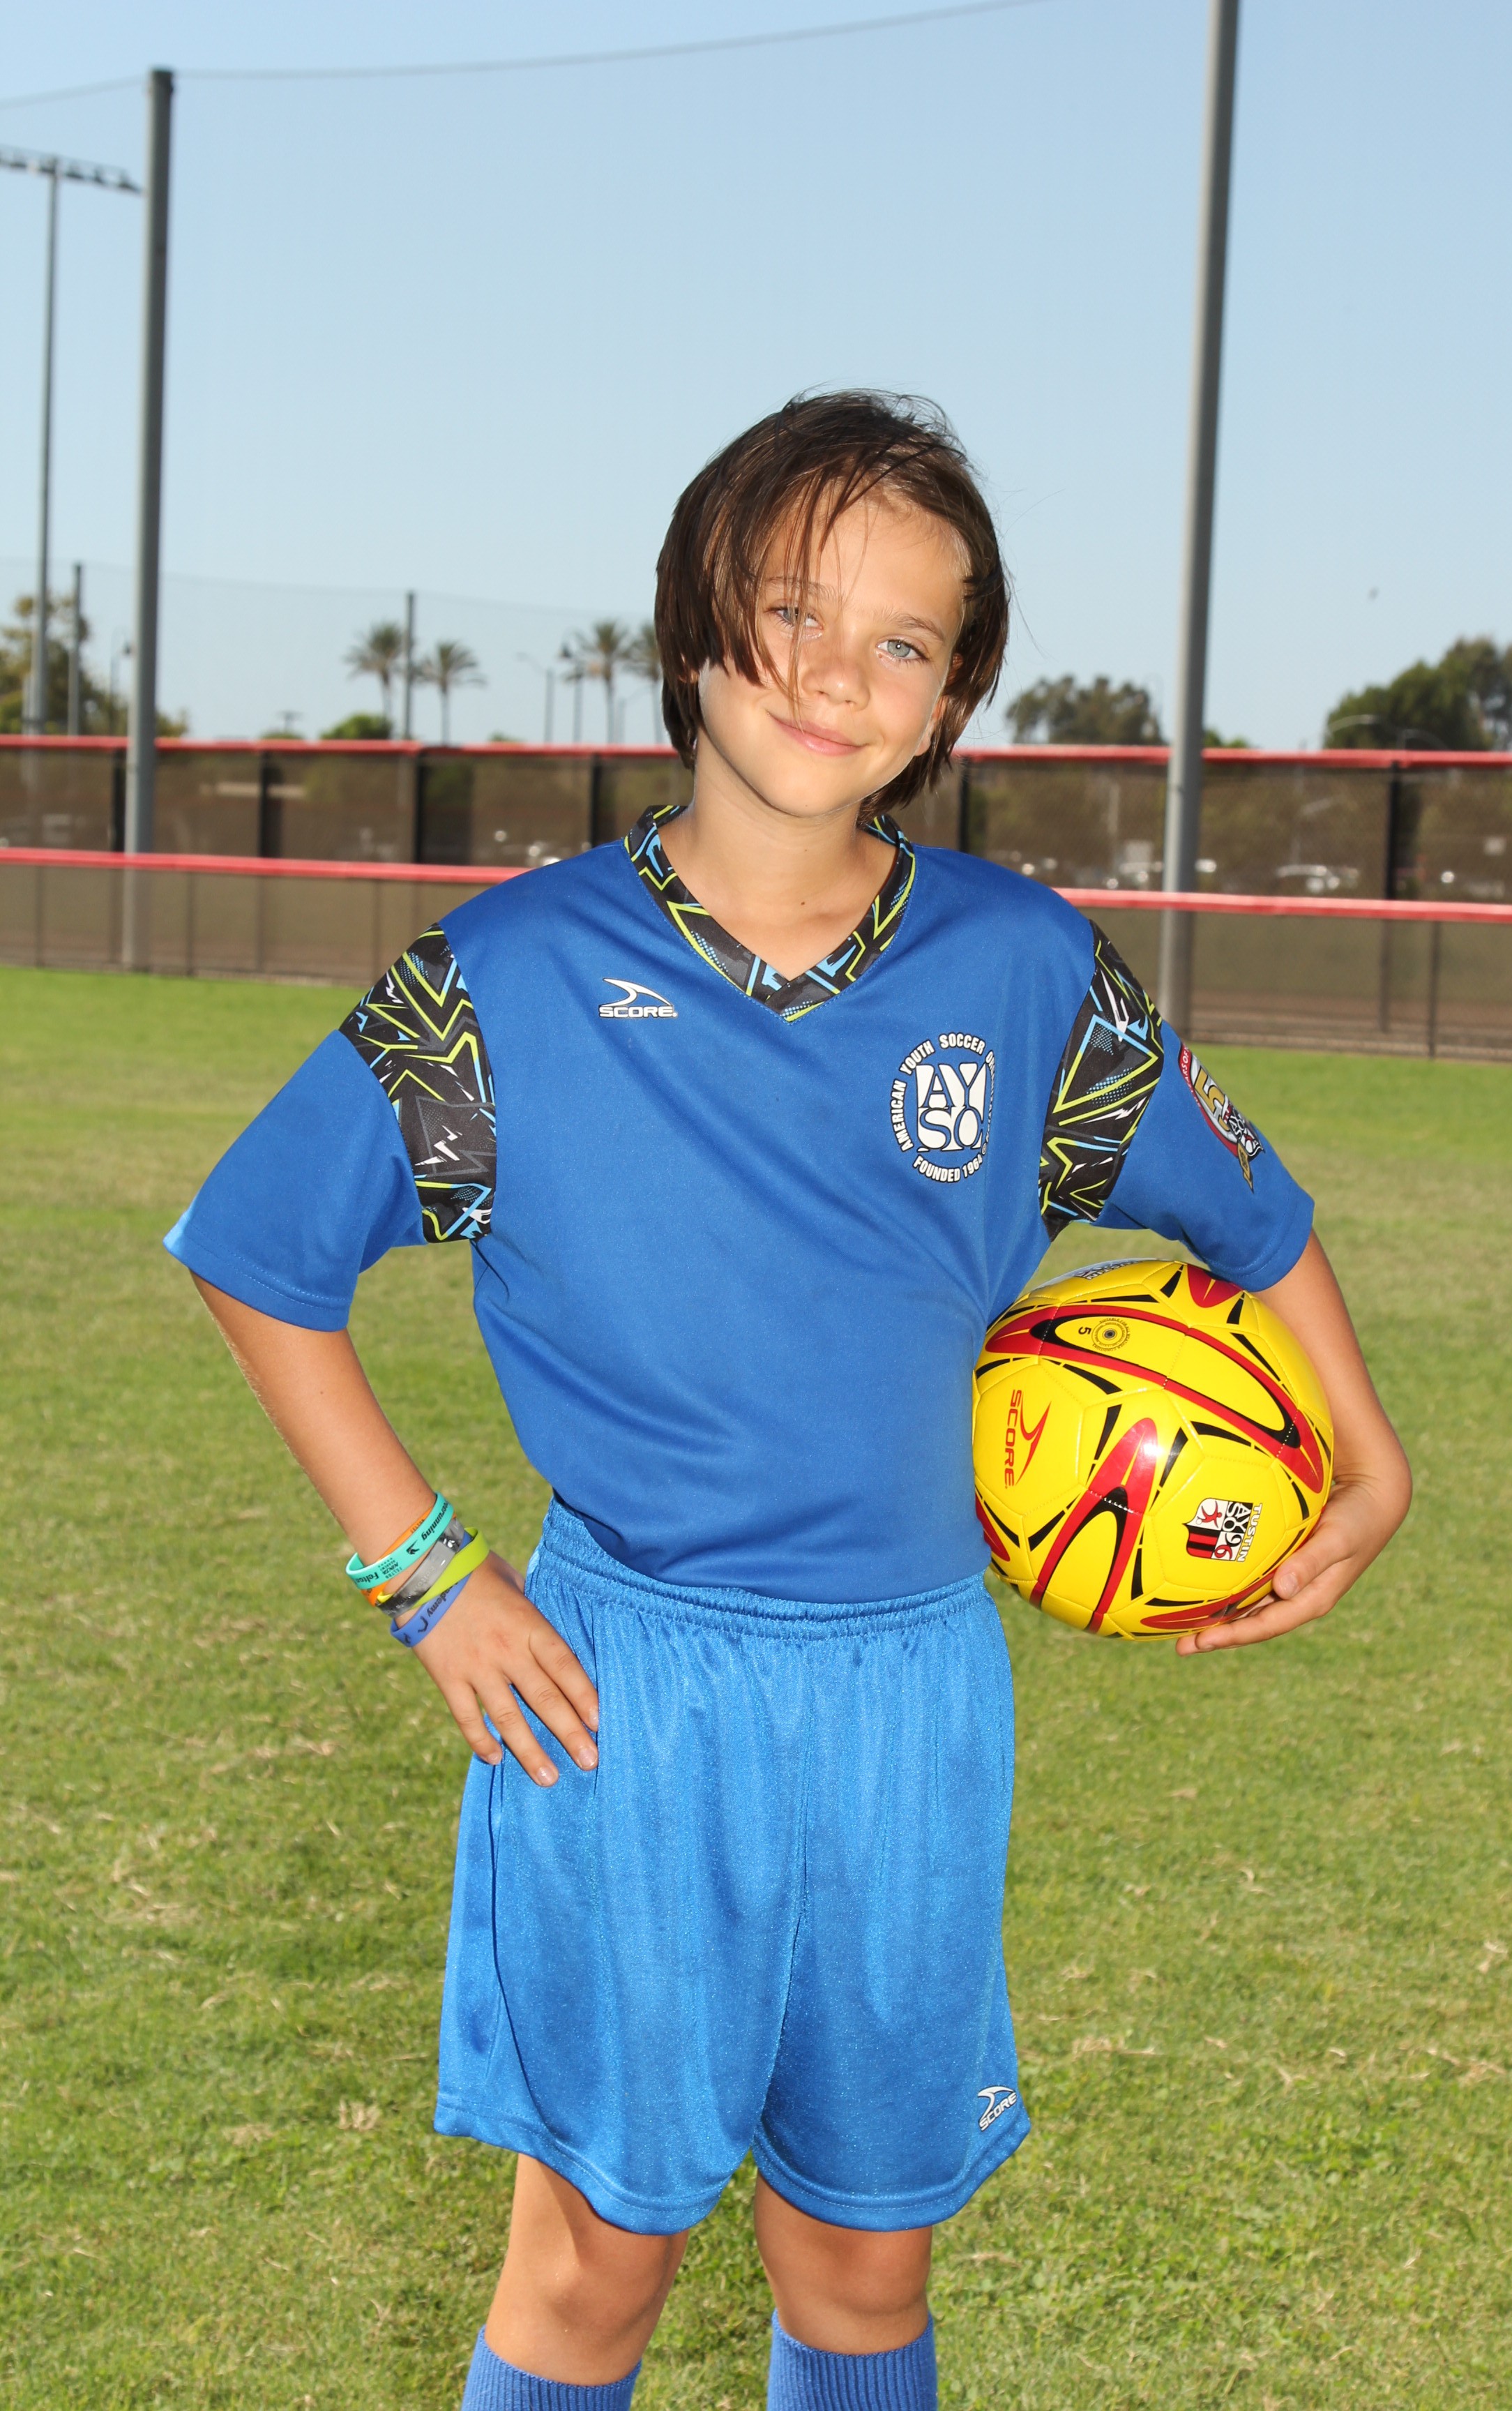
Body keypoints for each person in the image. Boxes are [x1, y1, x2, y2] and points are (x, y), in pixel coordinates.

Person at [166, 392, 1411, 2411]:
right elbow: (259, 1253)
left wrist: (1371, 1458)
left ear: (953, 697)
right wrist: (426, 1572)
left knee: (862, 2256)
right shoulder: (516, 974)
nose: (839, 675)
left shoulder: (1021, 970)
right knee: (594, 2268)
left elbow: (1250, 1214)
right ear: (694, 622)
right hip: (625, 1691)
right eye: (794, 611)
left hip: (913, 1692)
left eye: (904, 640)